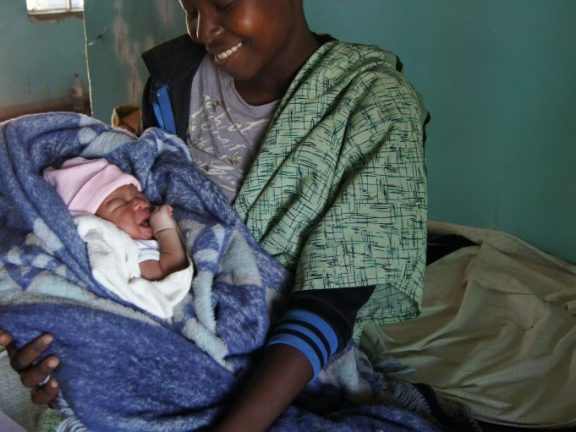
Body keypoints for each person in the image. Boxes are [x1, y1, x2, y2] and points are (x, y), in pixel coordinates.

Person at [0, 1, 427, 431]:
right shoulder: (173, 84)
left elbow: (331, 301)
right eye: (189, 9)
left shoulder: (372, 105)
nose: (203, 30)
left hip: (284, 374)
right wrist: (69, 350)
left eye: (222, 2)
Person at [43, 157, 192, 318]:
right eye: (119, 204)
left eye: (139, 195)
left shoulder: (140, 240)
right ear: (98, 223)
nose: (138, 202)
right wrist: (165, 229)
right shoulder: (129, 247)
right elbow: (165, 274)